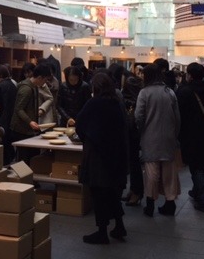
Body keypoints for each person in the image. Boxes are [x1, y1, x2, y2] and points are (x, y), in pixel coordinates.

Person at [75, 72, 128, 244]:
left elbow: (80, 124)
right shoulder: (116, 103)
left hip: (97, 156)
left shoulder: (94, 103)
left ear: (95, 87)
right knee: (112, 193)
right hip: (115, 155)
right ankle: (119, 225)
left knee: (98, 194)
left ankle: (102, 232)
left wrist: (86, 138)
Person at [135, 64, 181, 216]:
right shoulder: (170, 92)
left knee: (151, 172)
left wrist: (141, 130)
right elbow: (177, 118)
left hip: (150, 137)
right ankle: (170, 202)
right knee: (169, 172)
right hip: (168, 138)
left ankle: (150, 204)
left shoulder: (144, 93)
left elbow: (138, 116)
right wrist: (175, 134)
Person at [176, 62, 204, 213]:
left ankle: (203, 200)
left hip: (189, 134)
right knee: (201, 164)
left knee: (196, 167)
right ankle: (196, 191)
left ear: (189, 75)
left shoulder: (184, 92)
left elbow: (178, 115)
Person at [9, 63, 51, 165]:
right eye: (45, 80)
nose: (45, 82)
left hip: (28, 129)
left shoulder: (34, 86)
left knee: (32, 157)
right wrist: (30, 121)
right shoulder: (26, 89)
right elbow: (19, 109)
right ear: (40, 77)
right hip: (21, 130)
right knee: (24, 160)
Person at [120, 71, 144, 207]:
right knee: (133, 163)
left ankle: (136, 192)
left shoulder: (129, 94)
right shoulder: (138, 92)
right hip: (134, 133)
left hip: (132, 133)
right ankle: (134, 190)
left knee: (134, 163)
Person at [0, 65, 18, 165]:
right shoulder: (13, 85)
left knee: (3, 144)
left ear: (0, 75)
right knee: (8, 143)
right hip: (11, 118)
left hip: (2, 118)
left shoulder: (1, 86)